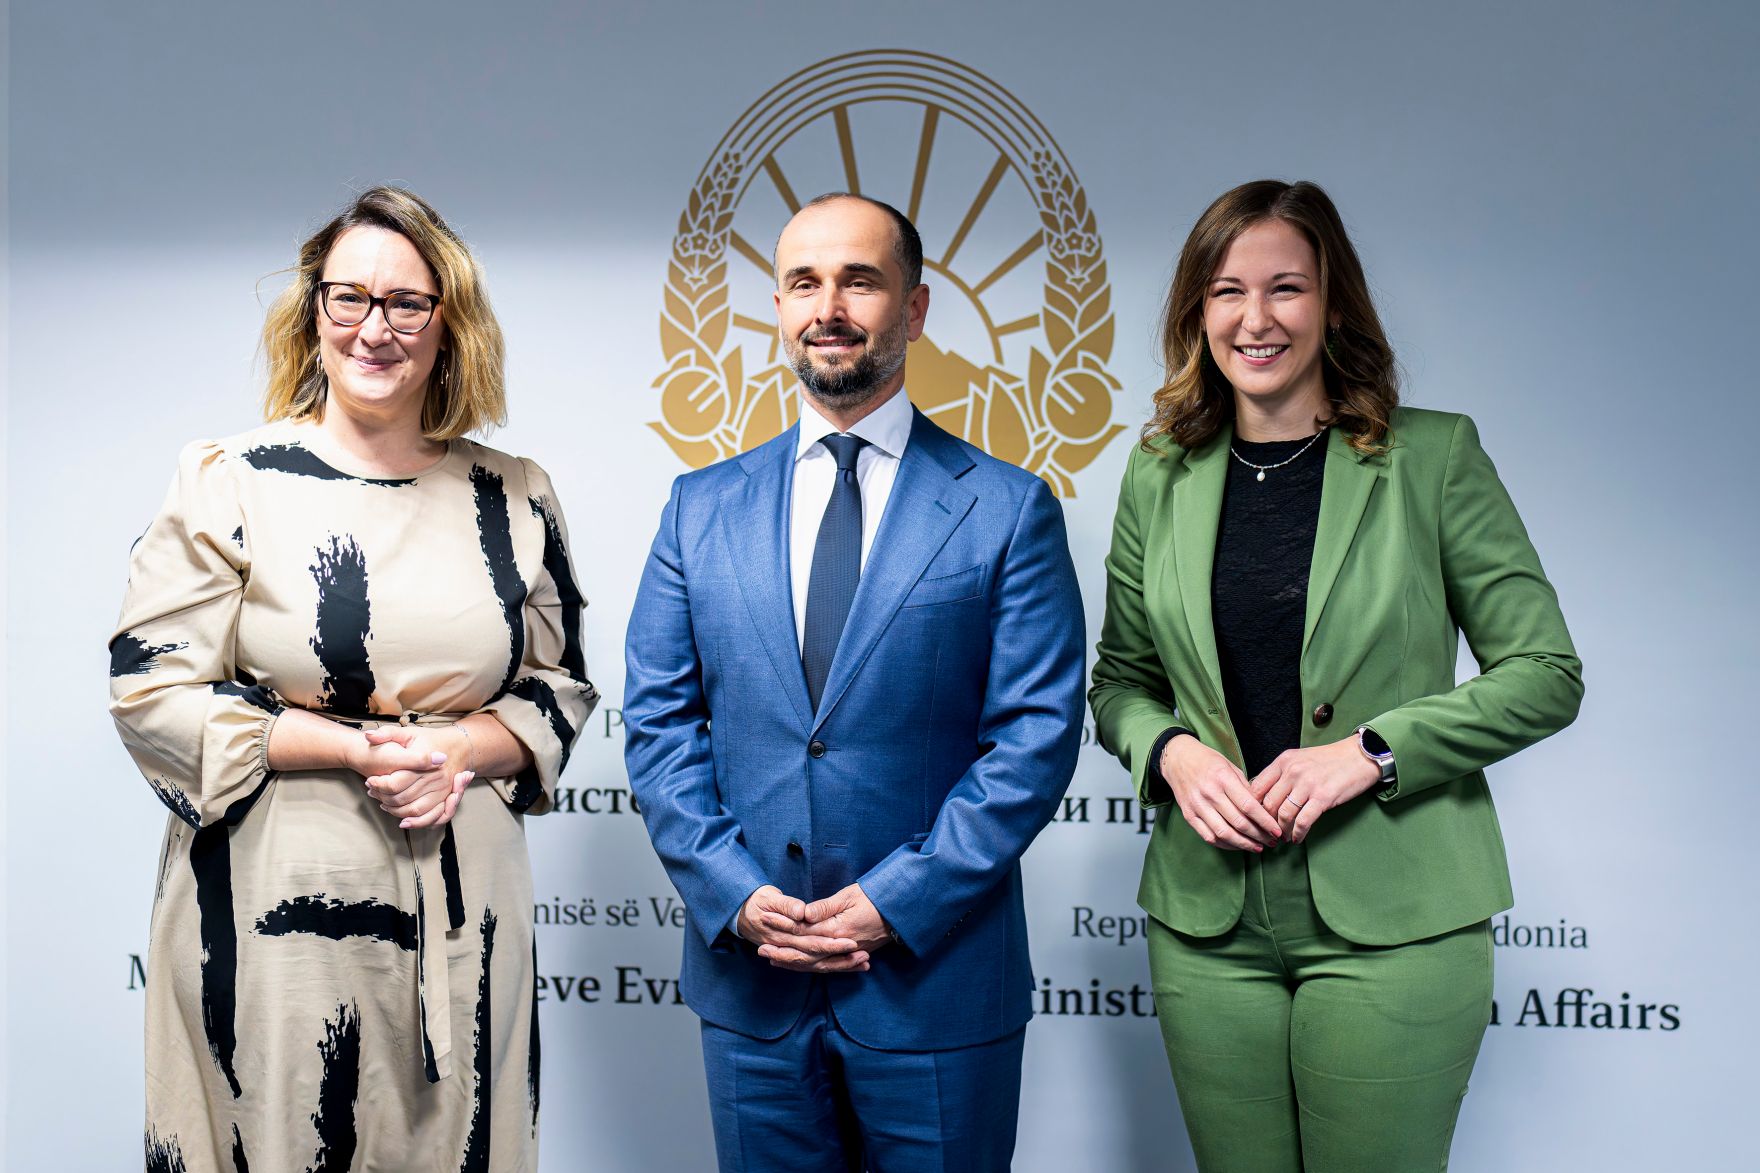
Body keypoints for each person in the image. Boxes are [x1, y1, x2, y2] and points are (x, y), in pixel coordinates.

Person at [1088, 179, 1583, 1172]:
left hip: (1393, 918)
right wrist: (1173, 756)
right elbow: (1119, 683)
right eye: (1225, 292)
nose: (1255, 318)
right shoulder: (1156, 473)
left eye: (1286, 288)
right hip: (1207, 920)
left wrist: (1369, 752)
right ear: (1196, 313)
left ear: (1332, 304)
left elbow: (1543, 671)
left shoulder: (1430, 457)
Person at [110, 186, 597, 1172]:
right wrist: (361, 747)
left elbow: (559, 688)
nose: (374, 329)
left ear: (447, 323)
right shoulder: (229, 478)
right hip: (272, 907)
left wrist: (454, 752)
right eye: (348, 299)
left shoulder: (515, 494)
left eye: (405, 304)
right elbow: (153, 693)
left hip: (467, 908)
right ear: (312, 312)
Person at [623, 192, 1085, 1171]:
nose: (827, 305)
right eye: (802, 281)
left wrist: (898, 901)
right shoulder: (696, 509)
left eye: (858, 279)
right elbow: (660, 727)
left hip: (934, 980)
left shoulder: (1005, 511)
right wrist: (734, 894)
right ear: (778, 308)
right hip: (750, 983)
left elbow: (1034, 742)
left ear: (912, 310)